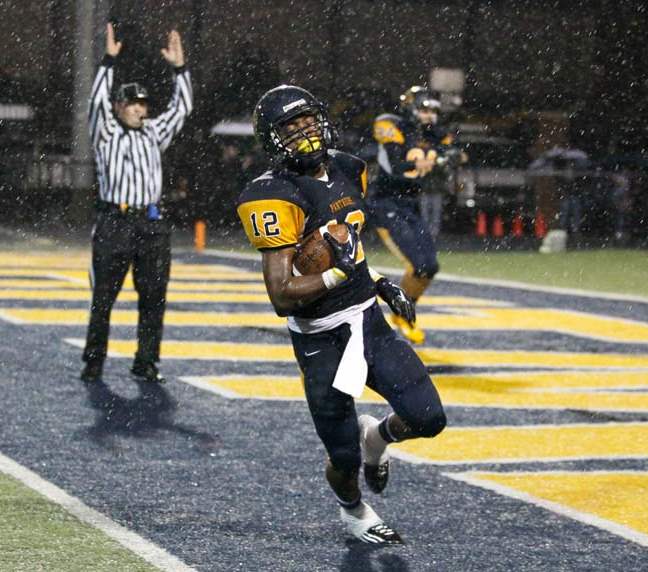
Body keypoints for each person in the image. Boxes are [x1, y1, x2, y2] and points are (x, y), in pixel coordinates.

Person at [236, 85, 446, 545]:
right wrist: (336, 276)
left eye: (308, 121)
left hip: (368, 320)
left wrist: (378, 283)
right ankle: (354, 511)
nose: (305, 132)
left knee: (428, 417)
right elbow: (281, 295)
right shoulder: (272, 193)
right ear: (272, 138)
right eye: (291, 127)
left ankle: (378, 437)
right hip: (320, 338)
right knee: (343, 458)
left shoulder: (350, 168)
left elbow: (350, 247)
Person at [80, 23, 192, 384]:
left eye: (142, 103)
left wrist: (179, 69)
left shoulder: (154, 133)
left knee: (154, 297)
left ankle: (146, 361)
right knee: (103, 298)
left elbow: (182, 108)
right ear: (119, 106)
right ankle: (94, 361)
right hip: (115, 222)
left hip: (151, 224)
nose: (138, 109)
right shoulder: (106, 133)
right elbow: (95, 103)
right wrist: (108, 62)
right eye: (132, 103)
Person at [367, 86, 457, 344]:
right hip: (386, 203)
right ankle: (398, 311)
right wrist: (438, 160)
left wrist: (451, 156)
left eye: (434, 110)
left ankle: (403, 310)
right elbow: (397, 165)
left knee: (430, 267)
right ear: (410, 107)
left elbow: (456, 154)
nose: (430, 115)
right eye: (424, 109)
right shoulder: (392, 125)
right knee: (417, 265)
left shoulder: (437, 135)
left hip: (411, 205)